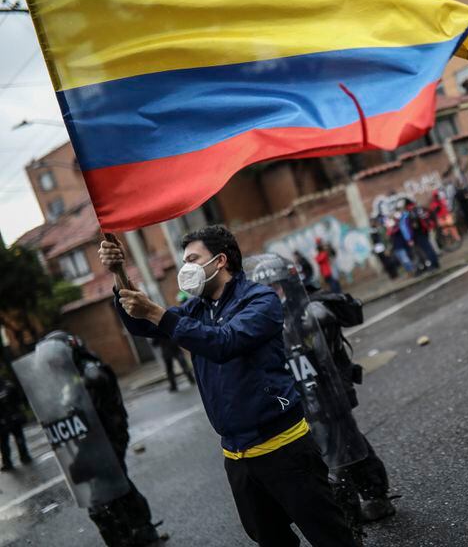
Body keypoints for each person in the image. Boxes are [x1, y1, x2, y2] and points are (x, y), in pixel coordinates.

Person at [99, 225, 359, 547]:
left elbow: (225, 342)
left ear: (220, 261)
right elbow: (142, 324)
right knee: (270, 538)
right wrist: (118, 274)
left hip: (284, 448)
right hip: (237, 456)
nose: (186, 269)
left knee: (329, 534)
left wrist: (157, 312)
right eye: (184, 261)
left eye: (193, 259)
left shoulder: (260, 299)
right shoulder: (197, 308)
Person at [251, 256, 396, 542]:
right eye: (267, 289)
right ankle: (367, 503)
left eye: (277, 287)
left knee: (341, 456)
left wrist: (317, 312)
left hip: (330, 395)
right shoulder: (265, 320)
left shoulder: (312, 310)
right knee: (338, 452)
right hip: (300, 400)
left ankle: (358, 515)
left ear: (288, 285)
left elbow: (342, 323)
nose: (274, 294)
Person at [42, 331, 162, 547]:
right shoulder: (72, 374)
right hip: (91, 440)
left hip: (108, 437)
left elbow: (95, 406)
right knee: (117, 484)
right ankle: (140, 529)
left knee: (105, 492)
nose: (54, 363)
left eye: (57, 357)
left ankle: (132, 533)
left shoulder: (91, 371)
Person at [0, 378, 31, 471]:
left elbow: (17, 398)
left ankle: (22, 457)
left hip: (11, 417)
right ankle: (10, 461)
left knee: (16, 439)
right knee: (5, 443)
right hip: (6, 418)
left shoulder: (7, 385)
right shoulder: (8, 384)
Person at [400, 199, 440, 271]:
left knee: (426, 249)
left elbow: (409, 227)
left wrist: (410, 238)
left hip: (418, 233)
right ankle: (436, 263)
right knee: (429, 247)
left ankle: (433, 264)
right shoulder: (418, 208)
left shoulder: (409, 212)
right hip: (424, 230)